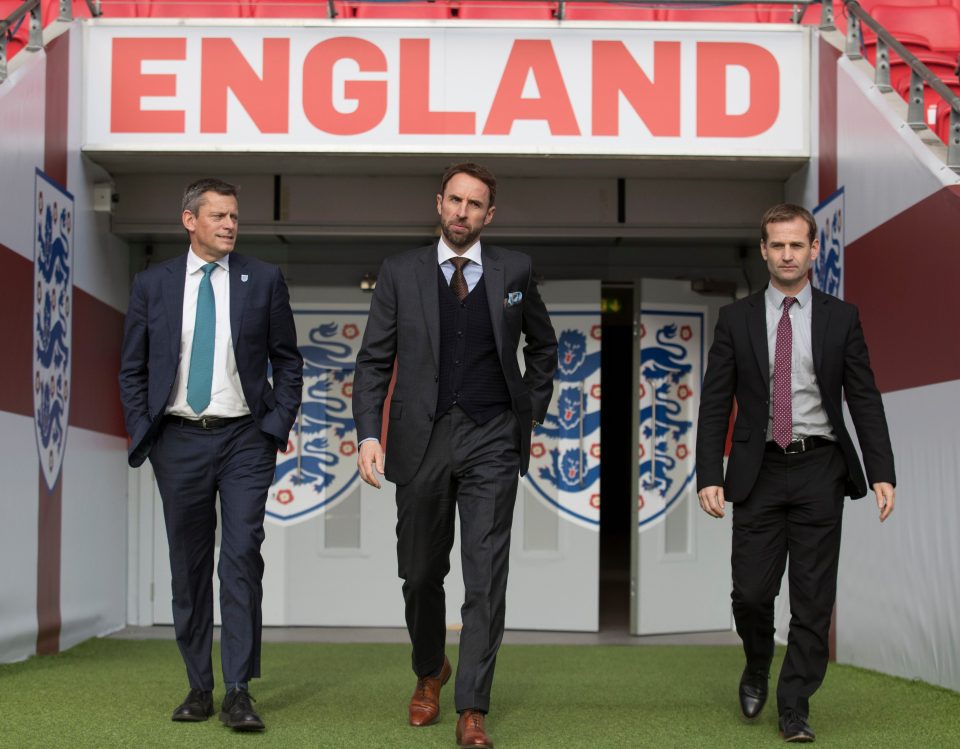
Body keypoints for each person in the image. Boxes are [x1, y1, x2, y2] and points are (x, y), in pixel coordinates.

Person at [352, 163, 557, 749]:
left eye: (475, 204)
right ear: (438, 203)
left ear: (489, 215)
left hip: (492, 436)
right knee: (419, 573)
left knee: (486, 577)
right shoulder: (400, 272)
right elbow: (373, 363)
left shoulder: (513, 269)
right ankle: (429, 669)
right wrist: (370, 434)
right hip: (422, 438)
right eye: (455, 200)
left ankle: (472, 707)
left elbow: (544, 347)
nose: (462, 211)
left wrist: (529, 411)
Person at [695, 203, 896, 743]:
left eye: (796, 245)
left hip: (820, 468)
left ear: (813, 250)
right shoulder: (735, 320)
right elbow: (715, 403)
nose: (787, 254)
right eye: (776, 245)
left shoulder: (841, 317)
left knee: (812, 599)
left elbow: (864, 397)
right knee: (752, 595)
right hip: (756, 471)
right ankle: (757, 661)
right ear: (764, 251)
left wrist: (882, 470)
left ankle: (794, 704)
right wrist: (709, 472)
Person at [119, 178, 303, 731]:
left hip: (245, 438)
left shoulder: (263, 279)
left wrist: (274, 426)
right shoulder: (152, 284)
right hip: (177, 440)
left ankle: (239, 691)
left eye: (234, 217)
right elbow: (132, 368)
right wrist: (144, 434)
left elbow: (287, 361)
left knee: (242, 556)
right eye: (218, 216)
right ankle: (199, 687)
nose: (229, 225)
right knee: (189, 566)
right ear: (189, 220)